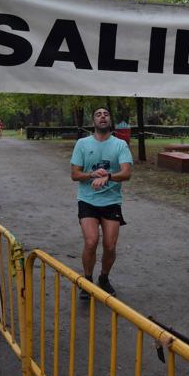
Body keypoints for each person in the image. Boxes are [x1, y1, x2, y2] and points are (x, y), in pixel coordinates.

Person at [70, 107, 133, 299]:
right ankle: (87, 281)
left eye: (106, 114)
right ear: (94, 121)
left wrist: (109, 177)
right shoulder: (82, 143)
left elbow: (127, 173)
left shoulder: (120, 145)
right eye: (98, 114)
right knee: (91, 242)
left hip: (111, 201)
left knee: (110, 245)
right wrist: (91, 174)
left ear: (110, 120)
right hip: (87, 200)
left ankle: (104, 278)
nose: (102, 116)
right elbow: (75, 174)